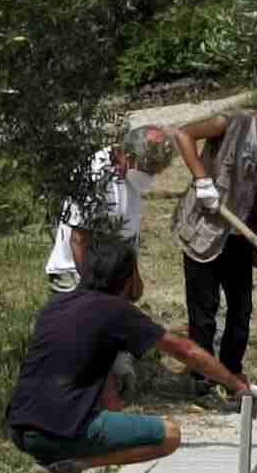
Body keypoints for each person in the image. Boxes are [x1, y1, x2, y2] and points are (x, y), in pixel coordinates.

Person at [6, 239, 257, 473]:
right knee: (169, 434)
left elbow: (93, 375)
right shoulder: (116, 311)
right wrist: (235, 383)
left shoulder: (57, 305)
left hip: (21, 430)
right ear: (127, 277)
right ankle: (66, 468)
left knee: (105, 422)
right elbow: (186, 351)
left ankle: (61, 469)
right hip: (56, 431)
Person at [169, 86, 257, 408]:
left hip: (241, 237)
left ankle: (231, 374)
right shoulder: (232, 124)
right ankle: (202, 381)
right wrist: (202, 180)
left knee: (241, 313)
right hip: (204, 231)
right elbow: (183, 134)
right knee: (204, 312)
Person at [43, 125, 176, 404]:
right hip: (77, 276)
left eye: (155, 172)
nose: (150, 177)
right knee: (82, 345)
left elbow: (127, 236)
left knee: (110, 346)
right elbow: (78, 239)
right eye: (148, 170)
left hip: (114, 275)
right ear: (127, 155)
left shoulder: (130, 175)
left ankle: (108, 400)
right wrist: (91, 291)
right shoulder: (94, 174)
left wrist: (132, 278)